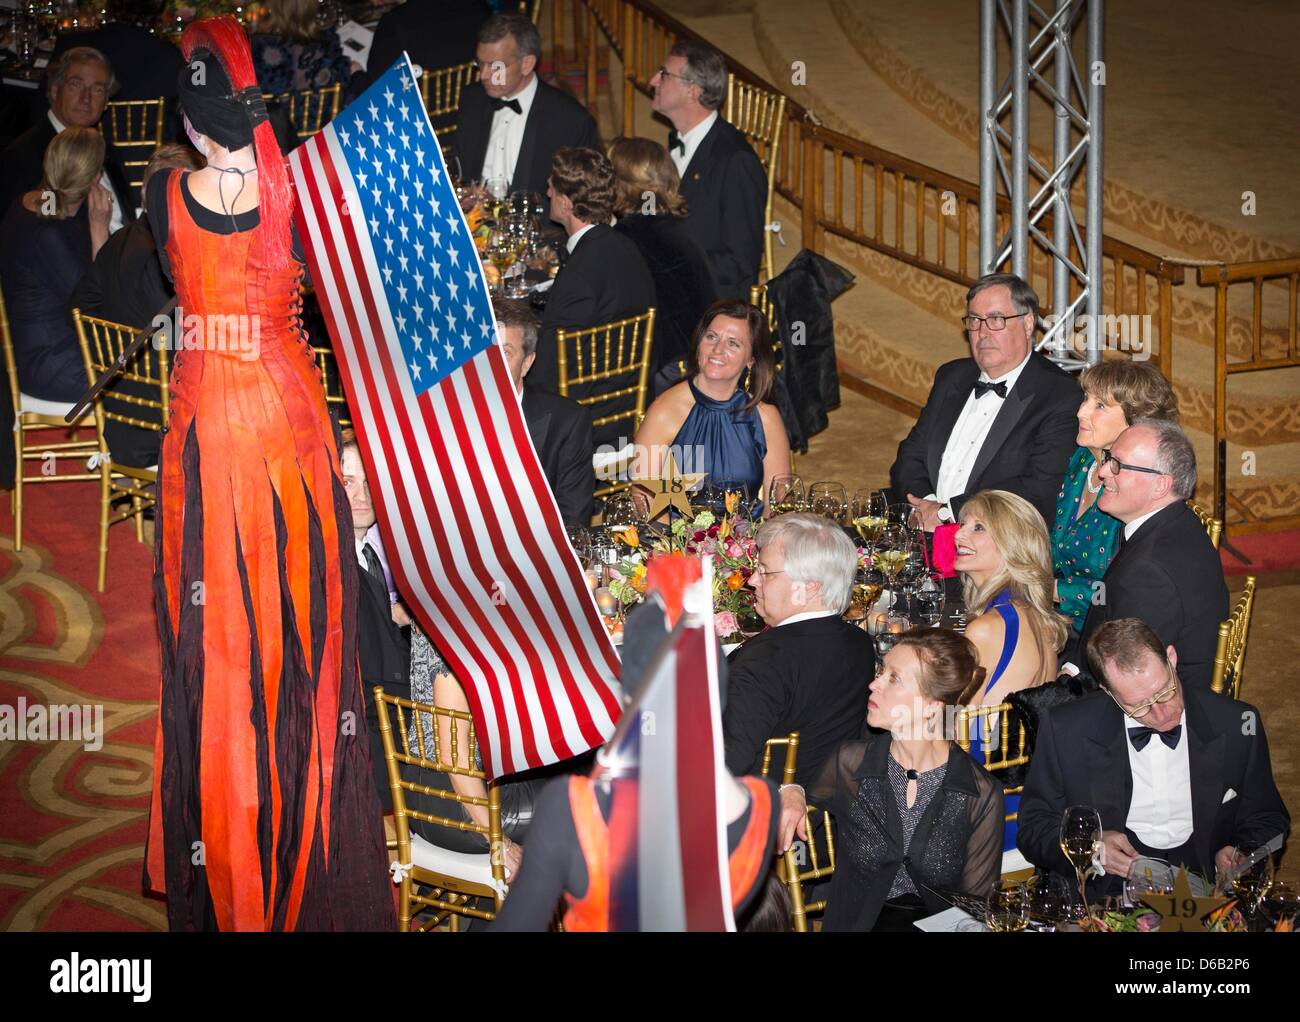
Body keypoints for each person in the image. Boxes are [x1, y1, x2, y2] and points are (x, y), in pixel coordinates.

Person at [141, 17, 394, 932]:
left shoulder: (165, 191)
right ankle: (315, 857)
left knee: (214, 647)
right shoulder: (305, 195)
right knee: (305, 634)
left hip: (211, 430)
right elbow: (351, 309)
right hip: (288, 427)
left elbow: (178, 279)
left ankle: (229, 857)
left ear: (190, 123)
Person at [1019, 618, 1289, 898]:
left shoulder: (1235, 723)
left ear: (1171, 658)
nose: (1162, 715)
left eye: (1164, 692)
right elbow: (1033, 828)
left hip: (1206, 884)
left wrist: (1242, 852)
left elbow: (1267, 817)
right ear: (1108, 692)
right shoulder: (1067, 729)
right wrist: (1091, 848)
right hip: (1109, 890)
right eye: (1139, 707)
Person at [780, 629, 1005, 931]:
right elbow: (799, 819)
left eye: (893, 678)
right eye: (880, 671)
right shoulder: (850, 764)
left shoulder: (978, 794)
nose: (873, 684)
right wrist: (792, 791)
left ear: (933, 706)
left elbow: (976, 912)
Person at [890, 273, 1080, 530]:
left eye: (996, 320)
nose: (982, 332)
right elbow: (910, 456)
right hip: (927, 535)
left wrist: (949, 514)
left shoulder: (1059, 394)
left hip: (1002, 551)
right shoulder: (951, 377)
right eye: (974, 320)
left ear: (1027, 324)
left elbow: (1038, 487)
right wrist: (928, 507)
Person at [1064, 419, 1228, 690]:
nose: (1103, 471)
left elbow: (1129, 681)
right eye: (1108, 458)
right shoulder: (1173, 522)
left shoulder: (1149, 573)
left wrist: (1066, 681)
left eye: (1118, 464)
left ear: (1161, 485)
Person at [70, 143, 205, 471]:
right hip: (169, 434)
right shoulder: (176, 257)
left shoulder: (119, 240)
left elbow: (81, 307)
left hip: (119, 425)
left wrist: (111, 347)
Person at [953, 489, 1070, 850]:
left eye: (978, 528)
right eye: (962, 525)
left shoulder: (986, 629)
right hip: (1029, 799)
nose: (958, 535)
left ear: (1012, 546)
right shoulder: (1042, 620)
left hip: (983, 813)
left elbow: (956, 733)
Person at [722, 512, 873, 787]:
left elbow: (724, 768)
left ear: (810, 587)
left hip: (768, 816)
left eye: (766, 572)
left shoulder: (763, 665)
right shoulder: (860, 642)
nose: (753, 580)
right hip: (827, 811)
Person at [531, 146, 654, 448]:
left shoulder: (579, 273)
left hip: (588, 419)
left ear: (567, 202)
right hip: (630, 400)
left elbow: (547, 368)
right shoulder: (626, 247)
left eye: (552, 187)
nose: (546, 192)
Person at [1053, 359, 1180, 633]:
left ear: (1135, 423)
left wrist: (1050, 590)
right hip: (1057, 618)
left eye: (1099, 406)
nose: (1080, 412)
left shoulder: (1137, 494)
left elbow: (1124, 594)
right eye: (1085, 399)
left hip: (1104, 633)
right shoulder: (1083, 460)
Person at [633, 299, 789, 507]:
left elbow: (778, 505)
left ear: (751, 360)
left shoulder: (765, 417)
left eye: (733, 343)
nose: (717, 350)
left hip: (749, 536)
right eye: (711, 337)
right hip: (674, 537)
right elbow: (643, 499)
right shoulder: (664, 412)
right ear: (698, 345)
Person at [0, 127, 114, 402]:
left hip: (46, 348)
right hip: (55, 364)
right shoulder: (46, 233)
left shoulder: (37, 202)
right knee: (151, 374)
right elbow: (97, 304)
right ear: (96, 178)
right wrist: (100, 228)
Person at [649, 40, 765, 298]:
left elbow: (740, 264)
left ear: (692, 91)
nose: (653, 80)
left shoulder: (736, 162)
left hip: (707, 303)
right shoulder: (674, 143)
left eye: (664, 74)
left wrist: (666, 263)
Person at [340, 429, 412, 814]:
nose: (362, 496)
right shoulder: (335, 561)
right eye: (347, 482)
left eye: (369, 483)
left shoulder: (368, 548)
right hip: (373, 730)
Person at [452, 12, 600, 198]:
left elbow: (583, 201)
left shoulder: (572, 121)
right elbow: (459, 167)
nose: (483, 75)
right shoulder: (472, 99)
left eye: (495, 67)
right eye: (480, 64)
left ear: (527, 64)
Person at [607, 135, 718, 376]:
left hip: (668, 370)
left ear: (621, 185)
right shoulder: (675, 226)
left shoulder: (628, 237)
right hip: (701, 351)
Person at [0, 46, 133, 231]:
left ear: (106, 103)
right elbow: (36, 232)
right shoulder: (24, 156)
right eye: (76, 85)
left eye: (98, 90)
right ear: (55, 90)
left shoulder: (107, 150)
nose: (86, 98)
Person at [494, 297, 594, 527]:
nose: (492, 363)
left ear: (527, 363)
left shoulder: (567, 423)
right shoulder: (444, 417)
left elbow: (574, 519)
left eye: (505, 353)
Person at [358, 0, 489, 95]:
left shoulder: (394, 23)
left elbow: (377, 92)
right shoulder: (482, 9)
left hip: (416, 124)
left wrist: (355, 75)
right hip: (474, 118)